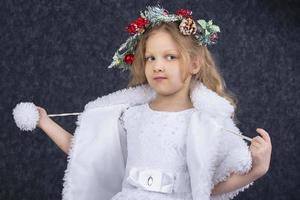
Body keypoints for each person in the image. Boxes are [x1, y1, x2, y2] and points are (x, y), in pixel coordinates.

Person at [36, 5, 272, 200]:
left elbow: (207, 186)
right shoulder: (132, 116)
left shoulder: (206, 124)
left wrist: (257, 170)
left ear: (194, 64)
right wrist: (45, 122)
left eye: (170, 57)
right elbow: (88, 153)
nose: (158, 65)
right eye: (151, 58)